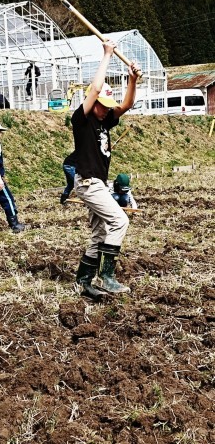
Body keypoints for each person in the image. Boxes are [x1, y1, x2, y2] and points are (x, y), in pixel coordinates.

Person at [71, 40, 142, 301]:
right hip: (88, 182)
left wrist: (132, 79)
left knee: (100, 233)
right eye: (101, 105)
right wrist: (107, 55)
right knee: (120, 220)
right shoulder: (82, 120)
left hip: (98, 182)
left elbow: (126, 105)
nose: (105, 110)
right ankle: (107, 276)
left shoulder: (104, 121)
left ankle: (84, 280)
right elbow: (96, 88)